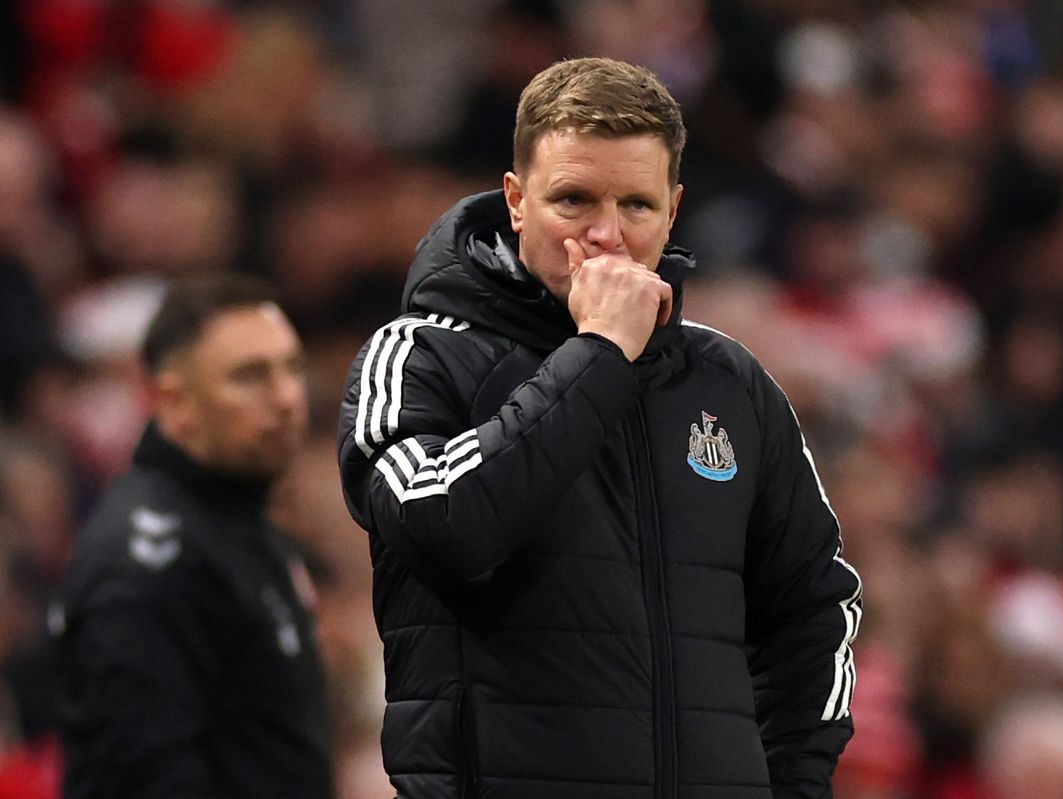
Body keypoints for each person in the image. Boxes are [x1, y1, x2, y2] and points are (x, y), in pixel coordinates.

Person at [338, 56, 862, 798]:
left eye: (637, 205)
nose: (608, 234)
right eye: (574, 199)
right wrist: (601, 352)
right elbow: (439, 525)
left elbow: (816, 604)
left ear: (673, 209)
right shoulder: (420, 354)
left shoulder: (730, 383)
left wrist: (792, 785)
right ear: (516, 200)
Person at [52, 275, 333, 799]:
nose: (287, 398)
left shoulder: (239, 528)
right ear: (172, 401)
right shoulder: (145, 564)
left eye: (292, 368)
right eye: (250, 376)